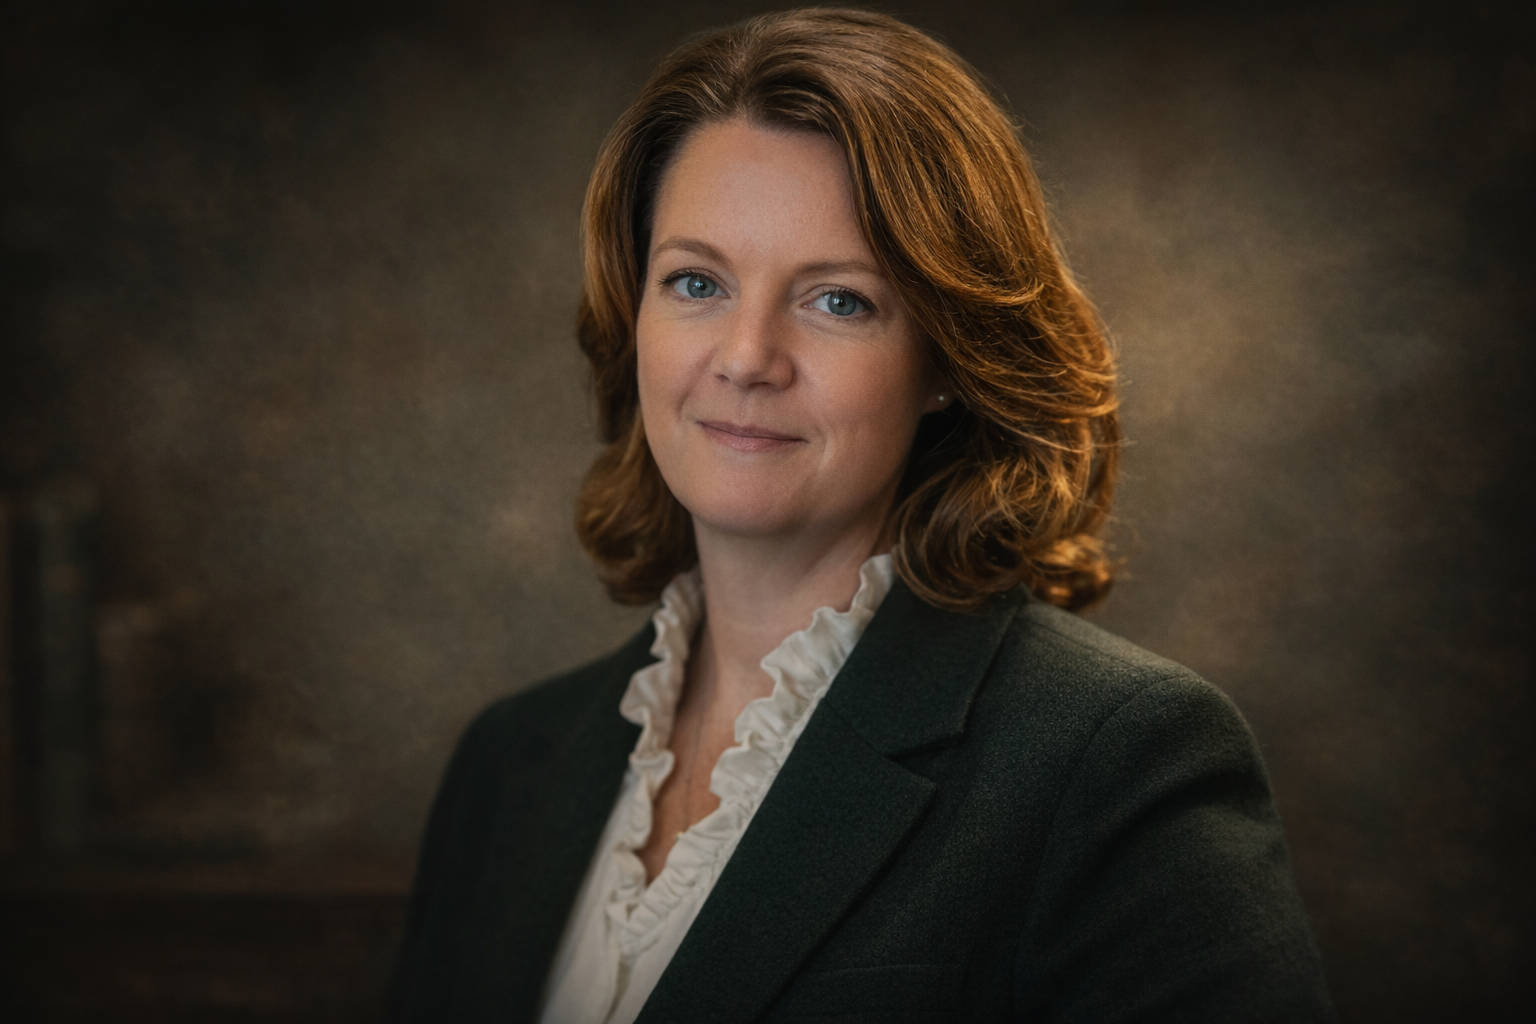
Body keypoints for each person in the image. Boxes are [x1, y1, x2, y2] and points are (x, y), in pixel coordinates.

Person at [387, 8, 1334, 1023]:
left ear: (946, 360)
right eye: (696, 281)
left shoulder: (1117, 762)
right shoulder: (508, 761)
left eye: (839, 300)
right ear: (636, 314)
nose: (747, 357)